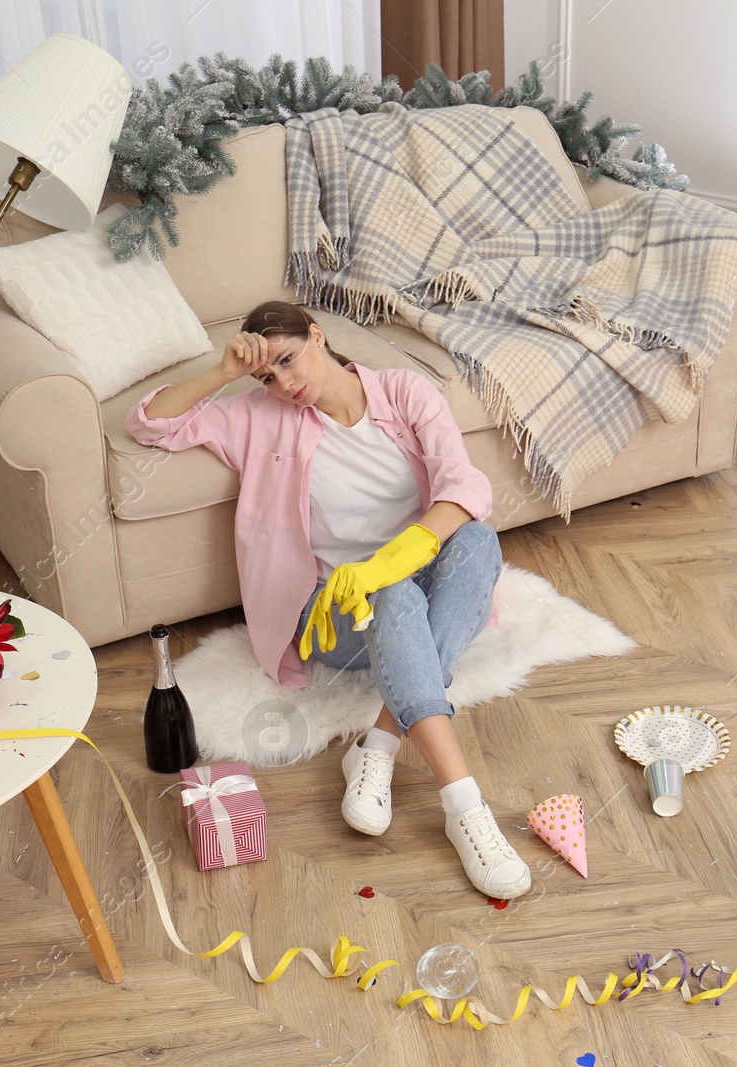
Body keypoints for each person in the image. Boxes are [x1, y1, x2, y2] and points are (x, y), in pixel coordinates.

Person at [125, 300, 531, 899]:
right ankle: (465, 809)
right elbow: (150, 424)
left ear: (317, 335)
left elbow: (462, 483)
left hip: (414, 580)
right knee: (393, 597)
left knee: (475, 538)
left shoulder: (404, 393)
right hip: (336, 618)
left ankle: (380, 742)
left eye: (289, 360)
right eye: (269, 376)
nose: (285, 384)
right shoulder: (259, 417)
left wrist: (395, 558)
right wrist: (224, 373)